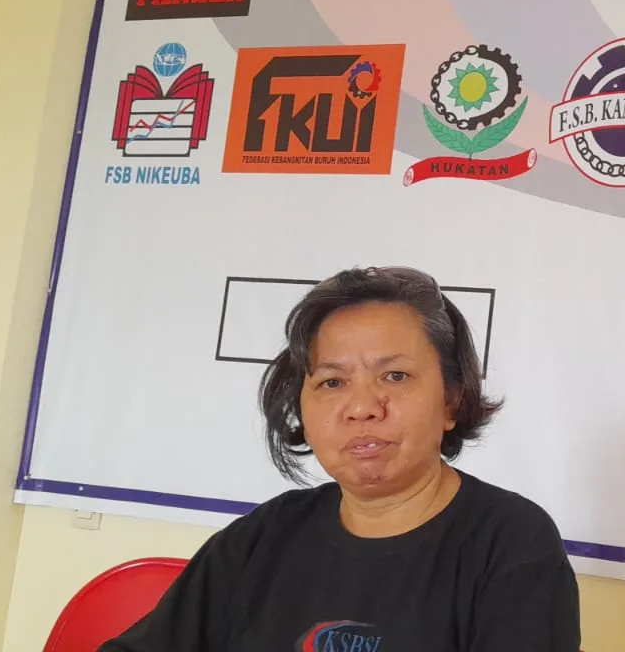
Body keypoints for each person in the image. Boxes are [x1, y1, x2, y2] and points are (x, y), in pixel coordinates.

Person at [101, 266, 581, 651]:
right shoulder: (263, 536)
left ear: (452, 399)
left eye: (395, 376)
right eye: (332, 382)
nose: (362, 408)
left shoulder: (511, 542)